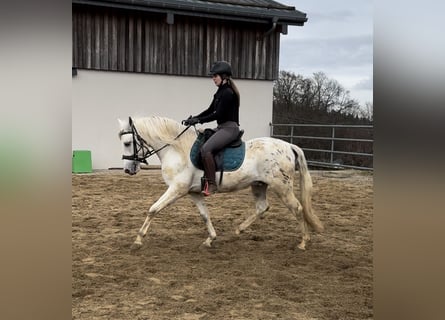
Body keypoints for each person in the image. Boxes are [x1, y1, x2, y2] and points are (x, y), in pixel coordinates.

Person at [183, 61, 240, 196]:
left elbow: (218, 114)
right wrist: (195, 118)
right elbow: (209, 110)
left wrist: (200, 120)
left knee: (206, 149)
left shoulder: (228, 93)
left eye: (215, 76)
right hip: (221, 128)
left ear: (224, 77)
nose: (213, 78)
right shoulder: (220, 92)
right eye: (213, 76)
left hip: (229, 129)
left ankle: (212, 184)